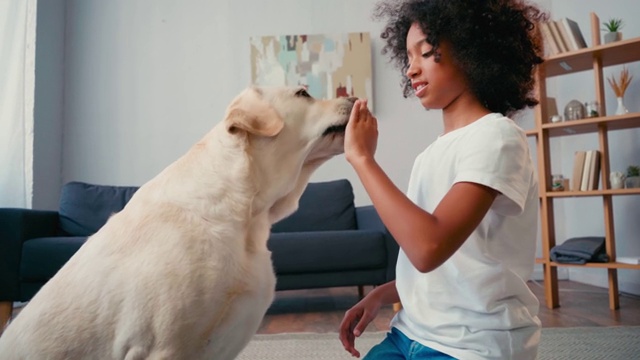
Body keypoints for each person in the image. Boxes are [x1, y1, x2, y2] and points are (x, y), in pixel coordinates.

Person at [339, 0, 547, 359]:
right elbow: (453, 265)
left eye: (426, 52)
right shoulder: (431, 154)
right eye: (407, 57)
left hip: (474, 344)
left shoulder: (497, 137)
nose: (410, 69)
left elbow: (428, 247)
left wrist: (362, 159)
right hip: (411, 333)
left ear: (472, 52)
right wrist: (385, 293)